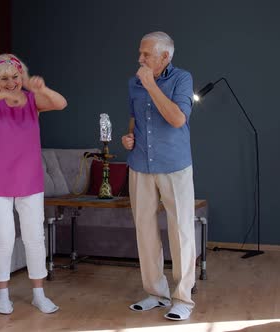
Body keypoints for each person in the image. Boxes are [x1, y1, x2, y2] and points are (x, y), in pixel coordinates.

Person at [0, 54, 67, 315]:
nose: (11, 82)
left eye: (15, 77)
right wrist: (1, 95)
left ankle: (39, 294)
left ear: (23, 77)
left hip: (28, 179)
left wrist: (42, 89)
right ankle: (2, 296)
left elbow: (61, 104)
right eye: (4, 78)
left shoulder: (32, 101)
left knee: (34, 237)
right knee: (4, 238)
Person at [121, 32, 196, 321]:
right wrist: (129, 136)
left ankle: (182, 299)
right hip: (140, 164)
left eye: (146, 55)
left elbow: (177, 119)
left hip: (175, 166)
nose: (140, 59)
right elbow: (134, 117)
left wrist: (151, 85)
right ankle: (156, 293)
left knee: (181, 232)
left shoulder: (182, 79)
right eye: (140, 53)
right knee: (145, 231)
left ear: (166, 57)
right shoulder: (133, 82)